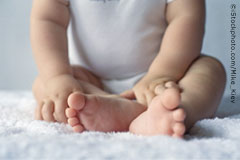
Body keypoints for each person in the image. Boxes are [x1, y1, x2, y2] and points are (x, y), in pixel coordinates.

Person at [31, 0, 226, 138]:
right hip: (90, 82)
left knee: (211, 70)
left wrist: (162, 73)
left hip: (162, 81)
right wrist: (59, 77)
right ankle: (109, 106)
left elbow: (186, 17)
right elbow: (47, 19)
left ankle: (178, 110)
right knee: (46, 83)